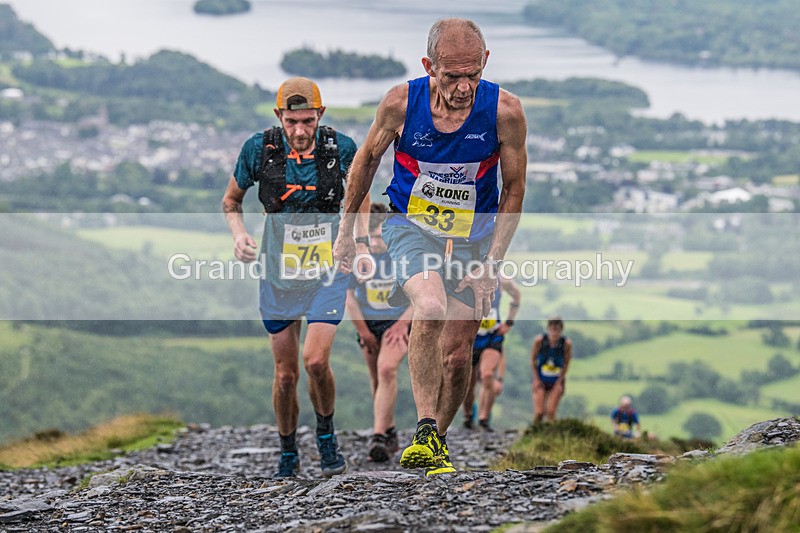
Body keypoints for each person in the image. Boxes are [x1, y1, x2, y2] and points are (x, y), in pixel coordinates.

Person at [333, 18, 527, 476]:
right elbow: (365, 161)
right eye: (451, 76)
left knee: (459, 354)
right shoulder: (402, 103)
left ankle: (436, 440)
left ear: (485, 63)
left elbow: (514, 190)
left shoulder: (506, 113)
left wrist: (492, 264)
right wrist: (346, 232)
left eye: (472, 75)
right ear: (428, 66)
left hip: (473, 238)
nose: (463, 88)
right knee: (430, 301)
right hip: (409, 225)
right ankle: (422, 428)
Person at [221, 77, 370, 478]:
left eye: (308, 121)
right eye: (292, 122)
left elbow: (361, 195)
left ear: (320, 114)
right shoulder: (259, 149)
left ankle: (325, 437)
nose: (300, 131)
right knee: (286, 375)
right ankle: (288, 451)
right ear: (279, 117)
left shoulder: (341, 150)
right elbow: (231, 201)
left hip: (327, 271)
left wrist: (357, 238)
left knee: (315, 361)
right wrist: (239, 236)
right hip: (278, 274)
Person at [345, 203, 413, 462]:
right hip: (368, 324)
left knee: (387, 370)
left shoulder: (401, 255)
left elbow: (418, 298)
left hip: (398, 322)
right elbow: (349, 297)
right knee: (377, 380)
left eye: (379, 236)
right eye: (370, 237)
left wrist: (402, 324)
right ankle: (390, 431)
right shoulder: (360, 257)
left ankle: (377, 437)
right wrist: (362, 331)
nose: (375, 242)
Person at [462, 275, 520, 432]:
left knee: (487, 375)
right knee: (468, 384)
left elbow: (516, 294)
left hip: (493, 335)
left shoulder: (502, 281)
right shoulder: (468, 277)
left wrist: (509, 322)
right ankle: (468, 416)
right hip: (472, 337)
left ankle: (483, 418)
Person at [531, 317, 572, 423]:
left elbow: (566, 363)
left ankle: (552, 435)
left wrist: (559, 382)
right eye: (552, 329)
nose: (554, 333)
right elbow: (532, 360)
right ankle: (534, 432)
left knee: (551, 411)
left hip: (556, 380)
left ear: (561, 330)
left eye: (557, 330)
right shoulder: (539, 341)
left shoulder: (566, 344)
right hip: (541, 379)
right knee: (539, 412)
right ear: (548, 329)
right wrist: (536, 379)